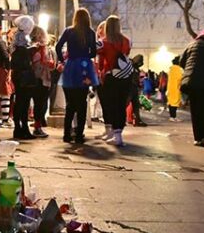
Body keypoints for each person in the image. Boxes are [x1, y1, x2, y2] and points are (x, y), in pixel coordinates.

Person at [55, 8, 99, 143]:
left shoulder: (69, 31)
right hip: (84, 68)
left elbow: (58, 46)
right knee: (82, 103)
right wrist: (85, 55)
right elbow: (94, 52)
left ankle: (66, 134)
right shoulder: (91, 33)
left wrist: (63, 60)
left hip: (71, 66)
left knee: (70, 104)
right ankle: (79, 134)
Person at [96, 15, 132, 146]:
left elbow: (100, 60)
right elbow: (126, 55)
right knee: (121, 104)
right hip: (125, 77)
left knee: (111, 105)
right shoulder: (126, 41)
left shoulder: (103, 42)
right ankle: (119, 134)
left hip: (111, 76)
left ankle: (115, 134)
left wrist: (101, 72)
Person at [9, 19, 37, 140]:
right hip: (24, 77)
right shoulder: (24, 44)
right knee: (24, 103)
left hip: (18, 76)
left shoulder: (15, 42)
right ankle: (24, 129)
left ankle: (18, 128)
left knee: (19, 102)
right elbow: (24, 60)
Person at [30, 25, 56, 138]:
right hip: (40, 79)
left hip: (41, 79)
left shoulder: (43, 49)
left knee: (39, 104)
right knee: (39, 104)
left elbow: (51, 64)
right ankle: (37, 127)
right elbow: (47, 64)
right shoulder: (36, 49)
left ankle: (38, 126)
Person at [129, 55, 147, 126]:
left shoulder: (136, 68)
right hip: (129, 88)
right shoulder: (130, 66)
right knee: (124, 104)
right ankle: (118, 120)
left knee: (136, 105)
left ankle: (137, 120)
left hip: (134, 88)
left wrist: (139, 84)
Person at [166, 57, 183, 122]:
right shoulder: (180, 69)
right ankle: (173, 116)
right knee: (175, 103)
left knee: (171, 103)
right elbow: (181, 78)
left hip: (170, 88)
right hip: (176, 88)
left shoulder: (170, 69)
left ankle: (172, 116)